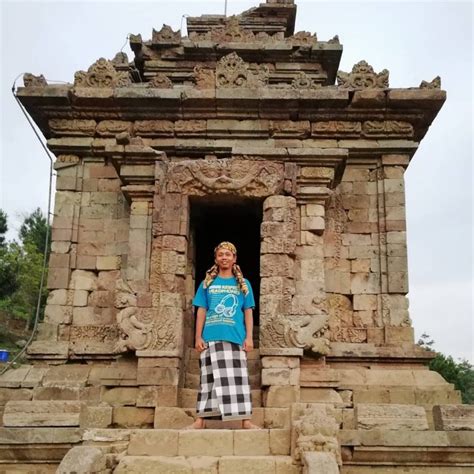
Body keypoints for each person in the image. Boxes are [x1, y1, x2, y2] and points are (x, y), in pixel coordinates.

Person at [188, 241, 260, 429]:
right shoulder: (207, 284)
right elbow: (201, 310)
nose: (224, 257)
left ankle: (246, 421)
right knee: (208, 379)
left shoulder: (243, 284)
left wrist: (249, 337)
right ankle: (201, 420)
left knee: (239, 379)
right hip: (210, 337)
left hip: (235, 336)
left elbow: (248, 311)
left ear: (234, 258)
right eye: (221, 254)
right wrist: (198, 337)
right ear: (216, 259)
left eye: (228, 254)